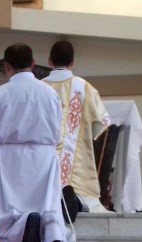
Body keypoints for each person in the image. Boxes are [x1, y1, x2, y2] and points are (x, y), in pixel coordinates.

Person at [0, 43, 76, 242]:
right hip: (43, 156)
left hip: (8, 158)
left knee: (9, 211)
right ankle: (51, 235)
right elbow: (58, 131)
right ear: (33, 64)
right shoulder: (49, 93)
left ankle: (22, 229)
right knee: (46, 203)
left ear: (6, 66)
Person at [42, 40, 112, 218]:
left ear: (50, 61)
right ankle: (78, 203)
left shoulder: (39, 87)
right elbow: (100, 124)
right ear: (72, 62)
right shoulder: (85, 87)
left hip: (43, 162)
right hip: (78, 169)